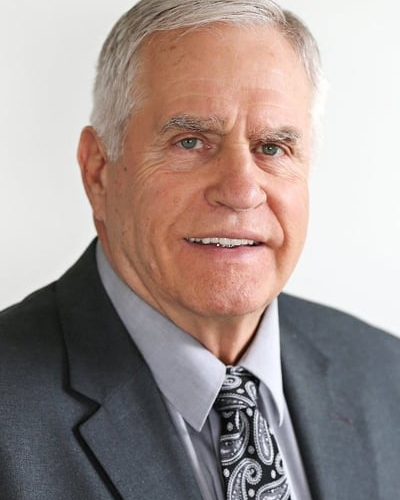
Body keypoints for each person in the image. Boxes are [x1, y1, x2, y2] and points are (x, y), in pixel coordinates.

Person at [1, 0, 399, 499]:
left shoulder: (386, 377)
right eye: (190, 142)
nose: (241, 190)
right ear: (99, 171)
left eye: (272, 147)